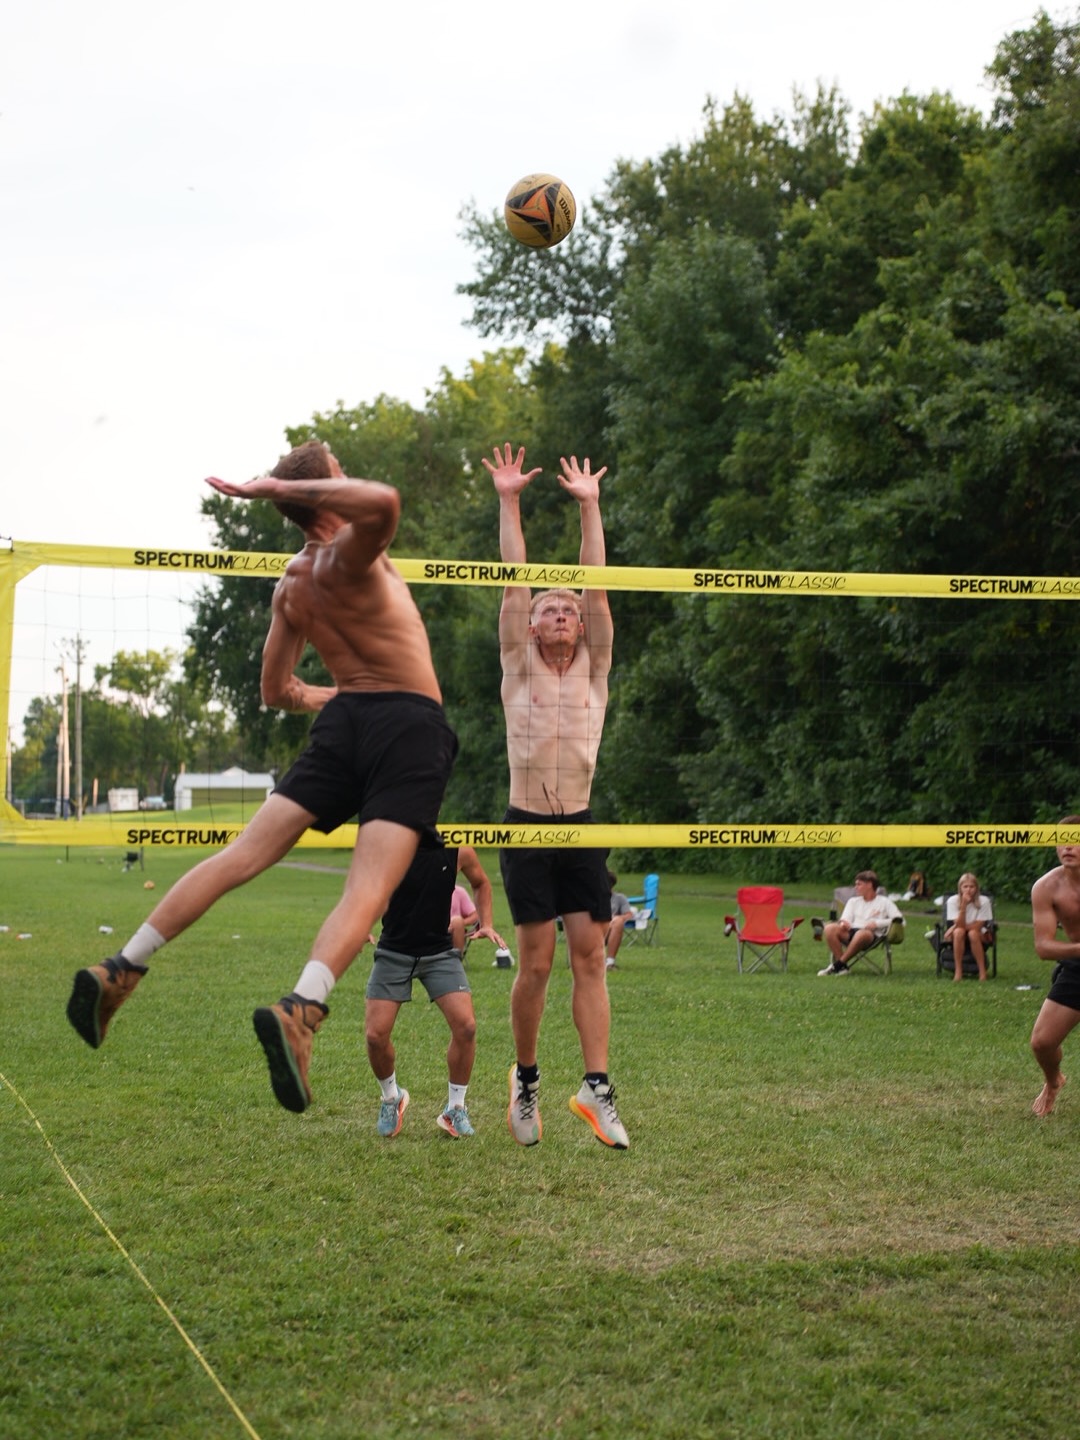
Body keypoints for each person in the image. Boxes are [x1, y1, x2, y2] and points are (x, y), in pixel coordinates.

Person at [66, 439, 457, 1114]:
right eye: (339, 471)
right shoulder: (350, 552)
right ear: (331, 485)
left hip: (347, 721)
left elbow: (275, 691)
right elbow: (385, 500)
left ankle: (122, 967)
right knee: (369, 886)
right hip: (407, 723)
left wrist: (335, 698)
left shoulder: (293, 584)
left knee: (239, 855)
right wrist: (274, 488)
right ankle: (302, 1009)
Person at [481, 442, 628, 1150]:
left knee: (590, 955)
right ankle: (528, 1078)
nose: (563, 612)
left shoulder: (593, 669)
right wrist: (509, 500)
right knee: (534, 962)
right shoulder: (519, 666)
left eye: (569, 607)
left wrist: (591, 508)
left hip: (580, 824)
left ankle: (596, 1088)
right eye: (549, 607)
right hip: (526, 823)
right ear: (531, 625)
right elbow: (514, 581)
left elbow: (596, 588)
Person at [1028, 817, 1080, 1117]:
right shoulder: (1046, 887)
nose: (1068, 846)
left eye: (1075, 839)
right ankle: (1053, 1081)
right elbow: (1043, 947)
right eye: (1063, 839)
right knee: (1042, 1042)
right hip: (1077, 965)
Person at [818, 870, 901, 976]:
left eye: (859, 884)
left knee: (862, 934)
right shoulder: (853, 901)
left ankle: (838, 965)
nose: (856, 887)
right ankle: (842, 967)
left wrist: (877, 923)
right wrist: (844, 923)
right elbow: (845, 918)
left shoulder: (884, 902)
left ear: (870, 884)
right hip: (851, 931)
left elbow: (899, 920)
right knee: (829, 928)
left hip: (871, 935)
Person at [943, 872, 994, 981]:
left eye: (972, 886)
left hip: (979, 932)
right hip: (959, 932)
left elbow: (978, 925)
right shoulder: (952, 901)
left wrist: (953, 927)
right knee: (958, 932)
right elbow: (960, 925)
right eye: (965, 886)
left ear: (976, 888)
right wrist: (963, 906)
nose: (968, 890)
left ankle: (982, 972)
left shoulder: (984, 901)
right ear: (960, 888)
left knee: (972, 933)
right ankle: (958, 971)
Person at [604, 871, 636, 971]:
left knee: (618, 922)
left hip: (609, 929)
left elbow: (629, 914)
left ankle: (609, 963)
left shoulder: (619, 898)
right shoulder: (590, 897)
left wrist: (618, 918)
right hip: (591, 930)